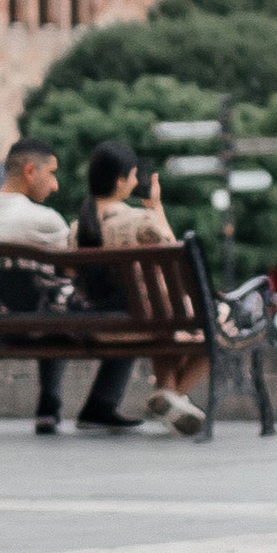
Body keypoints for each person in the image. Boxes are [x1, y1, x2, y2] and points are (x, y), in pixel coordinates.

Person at [0, 138, 133, 436]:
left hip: (0, 324)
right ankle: (100, 405)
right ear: (30, 171)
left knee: (43, 305)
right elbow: (78, 272)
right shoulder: (44, 220)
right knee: (122, 309)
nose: (55, 186)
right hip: (44, 325)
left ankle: (49, 407)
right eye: (51, 173)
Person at [82, 140, 202, 431]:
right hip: (145, 325)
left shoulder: (79, 228)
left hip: (97, 328)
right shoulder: (140, 221)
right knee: (214, 333)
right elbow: (176, 254)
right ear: (121, 181)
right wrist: (156, 206)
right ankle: (171, 397)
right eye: (134, 176)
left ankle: (171, 401)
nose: (137, 181)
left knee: (165, 327)